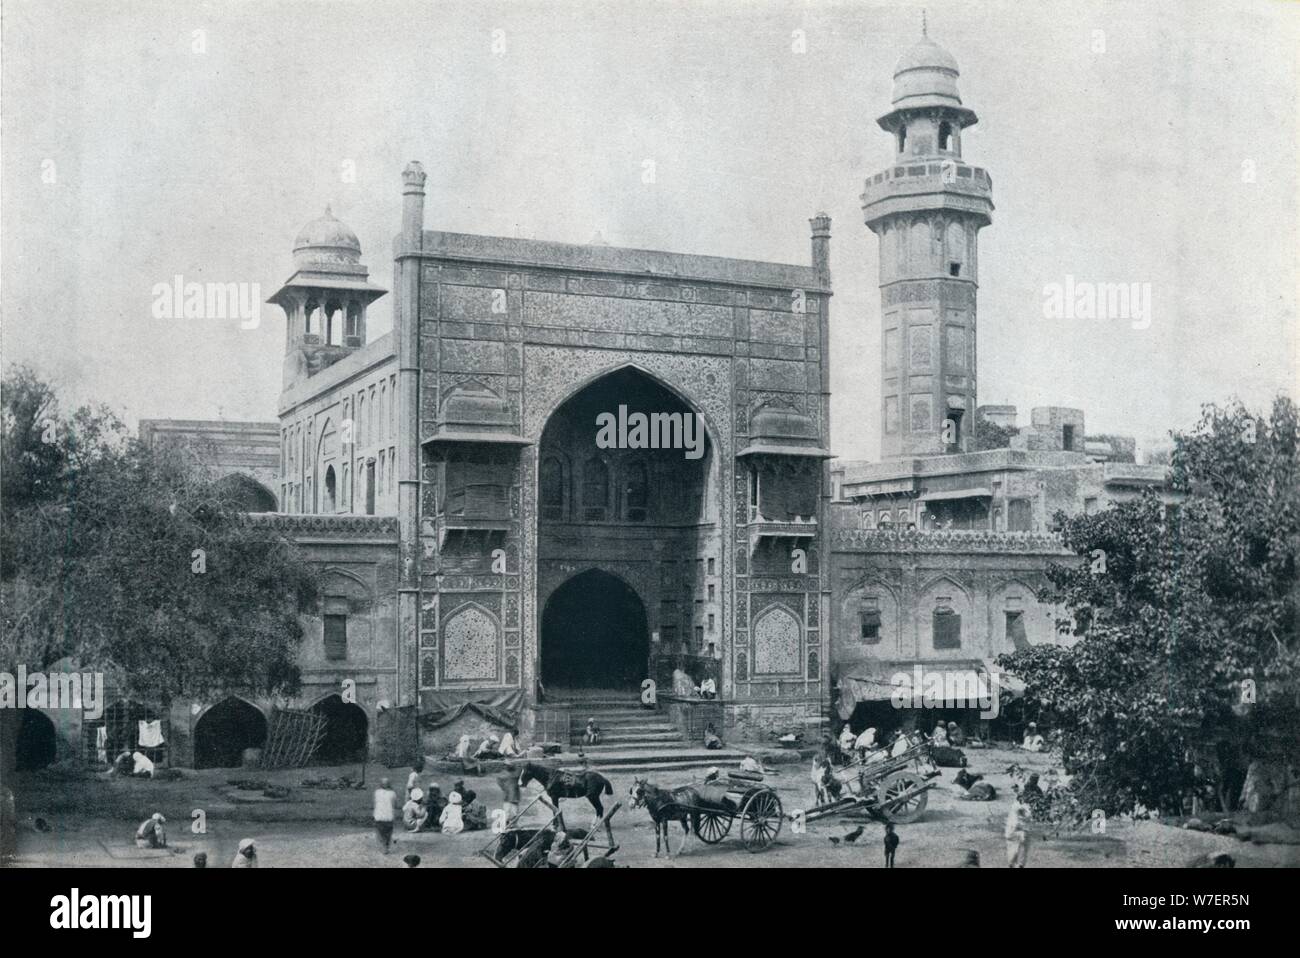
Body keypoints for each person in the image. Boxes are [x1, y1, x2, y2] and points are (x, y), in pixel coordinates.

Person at [373, 777, 398, 853]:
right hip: (388, 815)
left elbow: (375, 803)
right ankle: (386, 846)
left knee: (381, 831)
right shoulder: (392, 793)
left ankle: (384, 845)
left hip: (380, 815)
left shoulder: (377, 792)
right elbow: (395, 805)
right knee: (388, 832)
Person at [1005, 800, 1031, 868]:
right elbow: (1009, 834)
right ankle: (1013, 864)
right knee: (1013, 854)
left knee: (1022, 853)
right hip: (1014, 834)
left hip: (1023, 834)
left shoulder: (1027, 808)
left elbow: (1028, 816)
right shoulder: (1014, 812)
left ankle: (1019, 865)